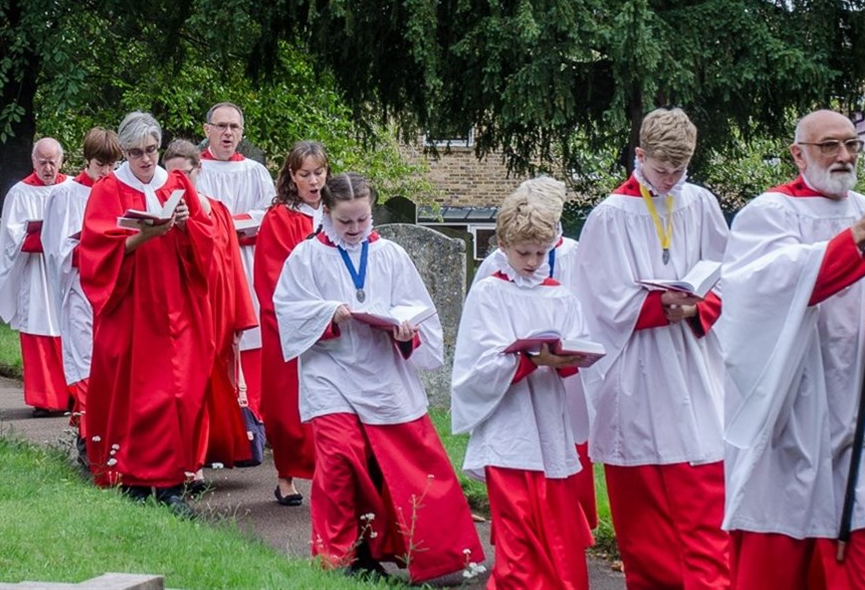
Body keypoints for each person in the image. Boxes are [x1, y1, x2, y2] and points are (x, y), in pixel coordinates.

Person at [718, 110, 865, 589]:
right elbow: (759, 295)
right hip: (792, 412)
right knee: (783, 550)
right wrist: (859, 236)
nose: (843, 156)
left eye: (852, 145)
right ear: (798, 154)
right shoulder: (769, 213)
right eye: (829, 146)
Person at [274, 172, 484, 582]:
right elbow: (288, 309)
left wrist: (405, 330)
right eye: (345, 222)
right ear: (328, 214)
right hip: (328, 368)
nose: (354, 230)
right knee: (338, 460)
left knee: (408, 463)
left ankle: (437, 555)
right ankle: (341, 559)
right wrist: (327, 313)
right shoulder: (306, 256)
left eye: (362, 220)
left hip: (383, 369)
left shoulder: (390, 254)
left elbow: (419, 311)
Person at [571, 108, 732, 588]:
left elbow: (730, 273)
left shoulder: (700, 202)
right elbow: (596, 299)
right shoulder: (609, 215)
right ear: (639, 156)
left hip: (693, 359)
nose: (670, 180)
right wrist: (657, 305)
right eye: (662, 169)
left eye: (679, 170)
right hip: (636, 368)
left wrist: (700, 305)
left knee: (704, 495)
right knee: (644, 518)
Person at [452, 179, 594, 589]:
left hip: (550, 422)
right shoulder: (490, 293)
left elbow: (578, 348)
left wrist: (569, 357)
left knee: (557, 534)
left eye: (541, 253)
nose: (533, 262)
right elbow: (476, 365)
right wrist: (528, 360)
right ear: (503, 244)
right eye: (524, 253)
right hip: (509, 427)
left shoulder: (560, 295)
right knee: (517, 535)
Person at [77, 112, 220, 516]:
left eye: (152, 150)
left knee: (179, 391)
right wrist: (144, 235)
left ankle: (172, 484)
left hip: (176, 304)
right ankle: (134, 479)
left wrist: (185, 225)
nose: (145, 159)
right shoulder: (107, 190)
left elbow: (208, 241)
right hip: (131, 306)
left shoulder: (176, 183)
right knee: (135, 393)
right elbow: (94, 252)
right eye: (137, 152)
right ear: (124, 151)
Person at [162, 139, 258, 477]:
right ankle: (191, 460)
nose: (179, 182)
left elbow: (230, 263)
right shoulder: (158, 211)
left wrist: (237, 315)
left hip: (214, 304)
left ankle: (206, 451)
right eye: (172, 174)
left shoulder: (216, 209)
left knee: (213, 380)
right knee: (186, 381)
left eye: (185, 174)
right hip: (179, 308)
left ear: (197, 171)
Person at [253, 140, 328, 507]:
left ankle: (332, 475)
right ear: (292, 177)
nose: (313, 181)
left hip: (333, 322)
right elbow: (271, 274)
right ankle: (285, 478)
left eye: (319, 173)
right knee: (287, 406)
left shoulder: (337, 213)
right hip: (290, 322)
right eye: (305, 175)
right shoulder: (281, 217)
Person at [192, 102, 276, 415]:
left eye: (234, 127)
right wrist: (226, 225)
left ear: (241, 133)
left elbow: (267, 214)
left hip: (247, 259)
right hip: (211, 263)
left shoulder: (255, 171)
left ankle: (252, 411)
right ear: (207, 130)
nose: (227, 133)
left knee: (251, 335)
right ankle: (214, 414)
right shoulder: (195, 169)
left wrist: (225, 222)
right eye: (221, 126)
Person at [42, 128, 120, 448]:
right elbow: (56, 248)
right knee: (85, 358)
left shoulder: (120, 189)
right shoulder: (66, 194)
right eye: (101, 164)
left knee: (115, 361)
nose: (107, 171)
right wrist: (94, 249)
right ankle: (90, 436)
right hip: (82, 288)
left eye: (113, 164)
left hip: (116, 289)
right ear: (87, 159)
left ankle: (110, 433)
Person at [0, 137, 72, 415]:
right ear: (33, 161)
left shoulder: (71, 188)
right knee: (38, 331)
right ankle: (45, 399)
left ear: (61, 161)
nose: (48, 168)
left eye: (53, 161)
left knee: (70, 331)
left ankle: (72, 395)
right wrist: (47, 235)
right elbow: (12, 236)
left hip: (65, 274)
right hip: (35, 274)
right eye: (42, 162)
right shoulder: (20, 192)